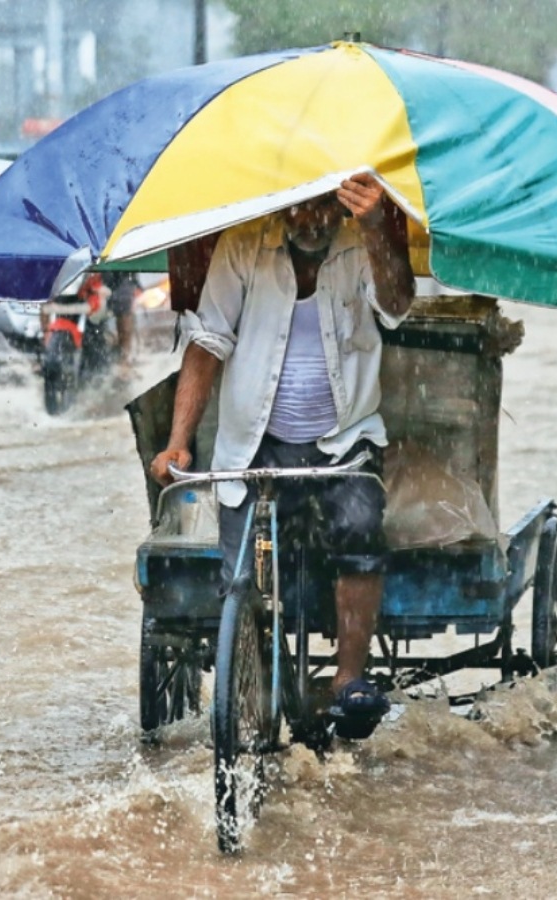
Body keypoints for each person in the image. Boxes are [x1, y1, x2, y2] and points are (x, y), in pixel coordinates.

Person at [150, 172, 415, 737]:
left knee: (359, 526)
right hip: (255, 445)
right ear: (281, 206)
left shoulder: (359, 242)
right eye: (301, 210)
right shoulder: (245, 246)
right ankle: (257, 687)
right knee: (243, 572)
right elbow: (207, 343)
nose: (313, 221)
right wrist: (179, 438)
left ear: (339, 205)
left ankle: (349, 678)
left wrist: (375, 227)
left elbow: (396, 306)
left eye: (324, 208)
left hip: (346, 441)